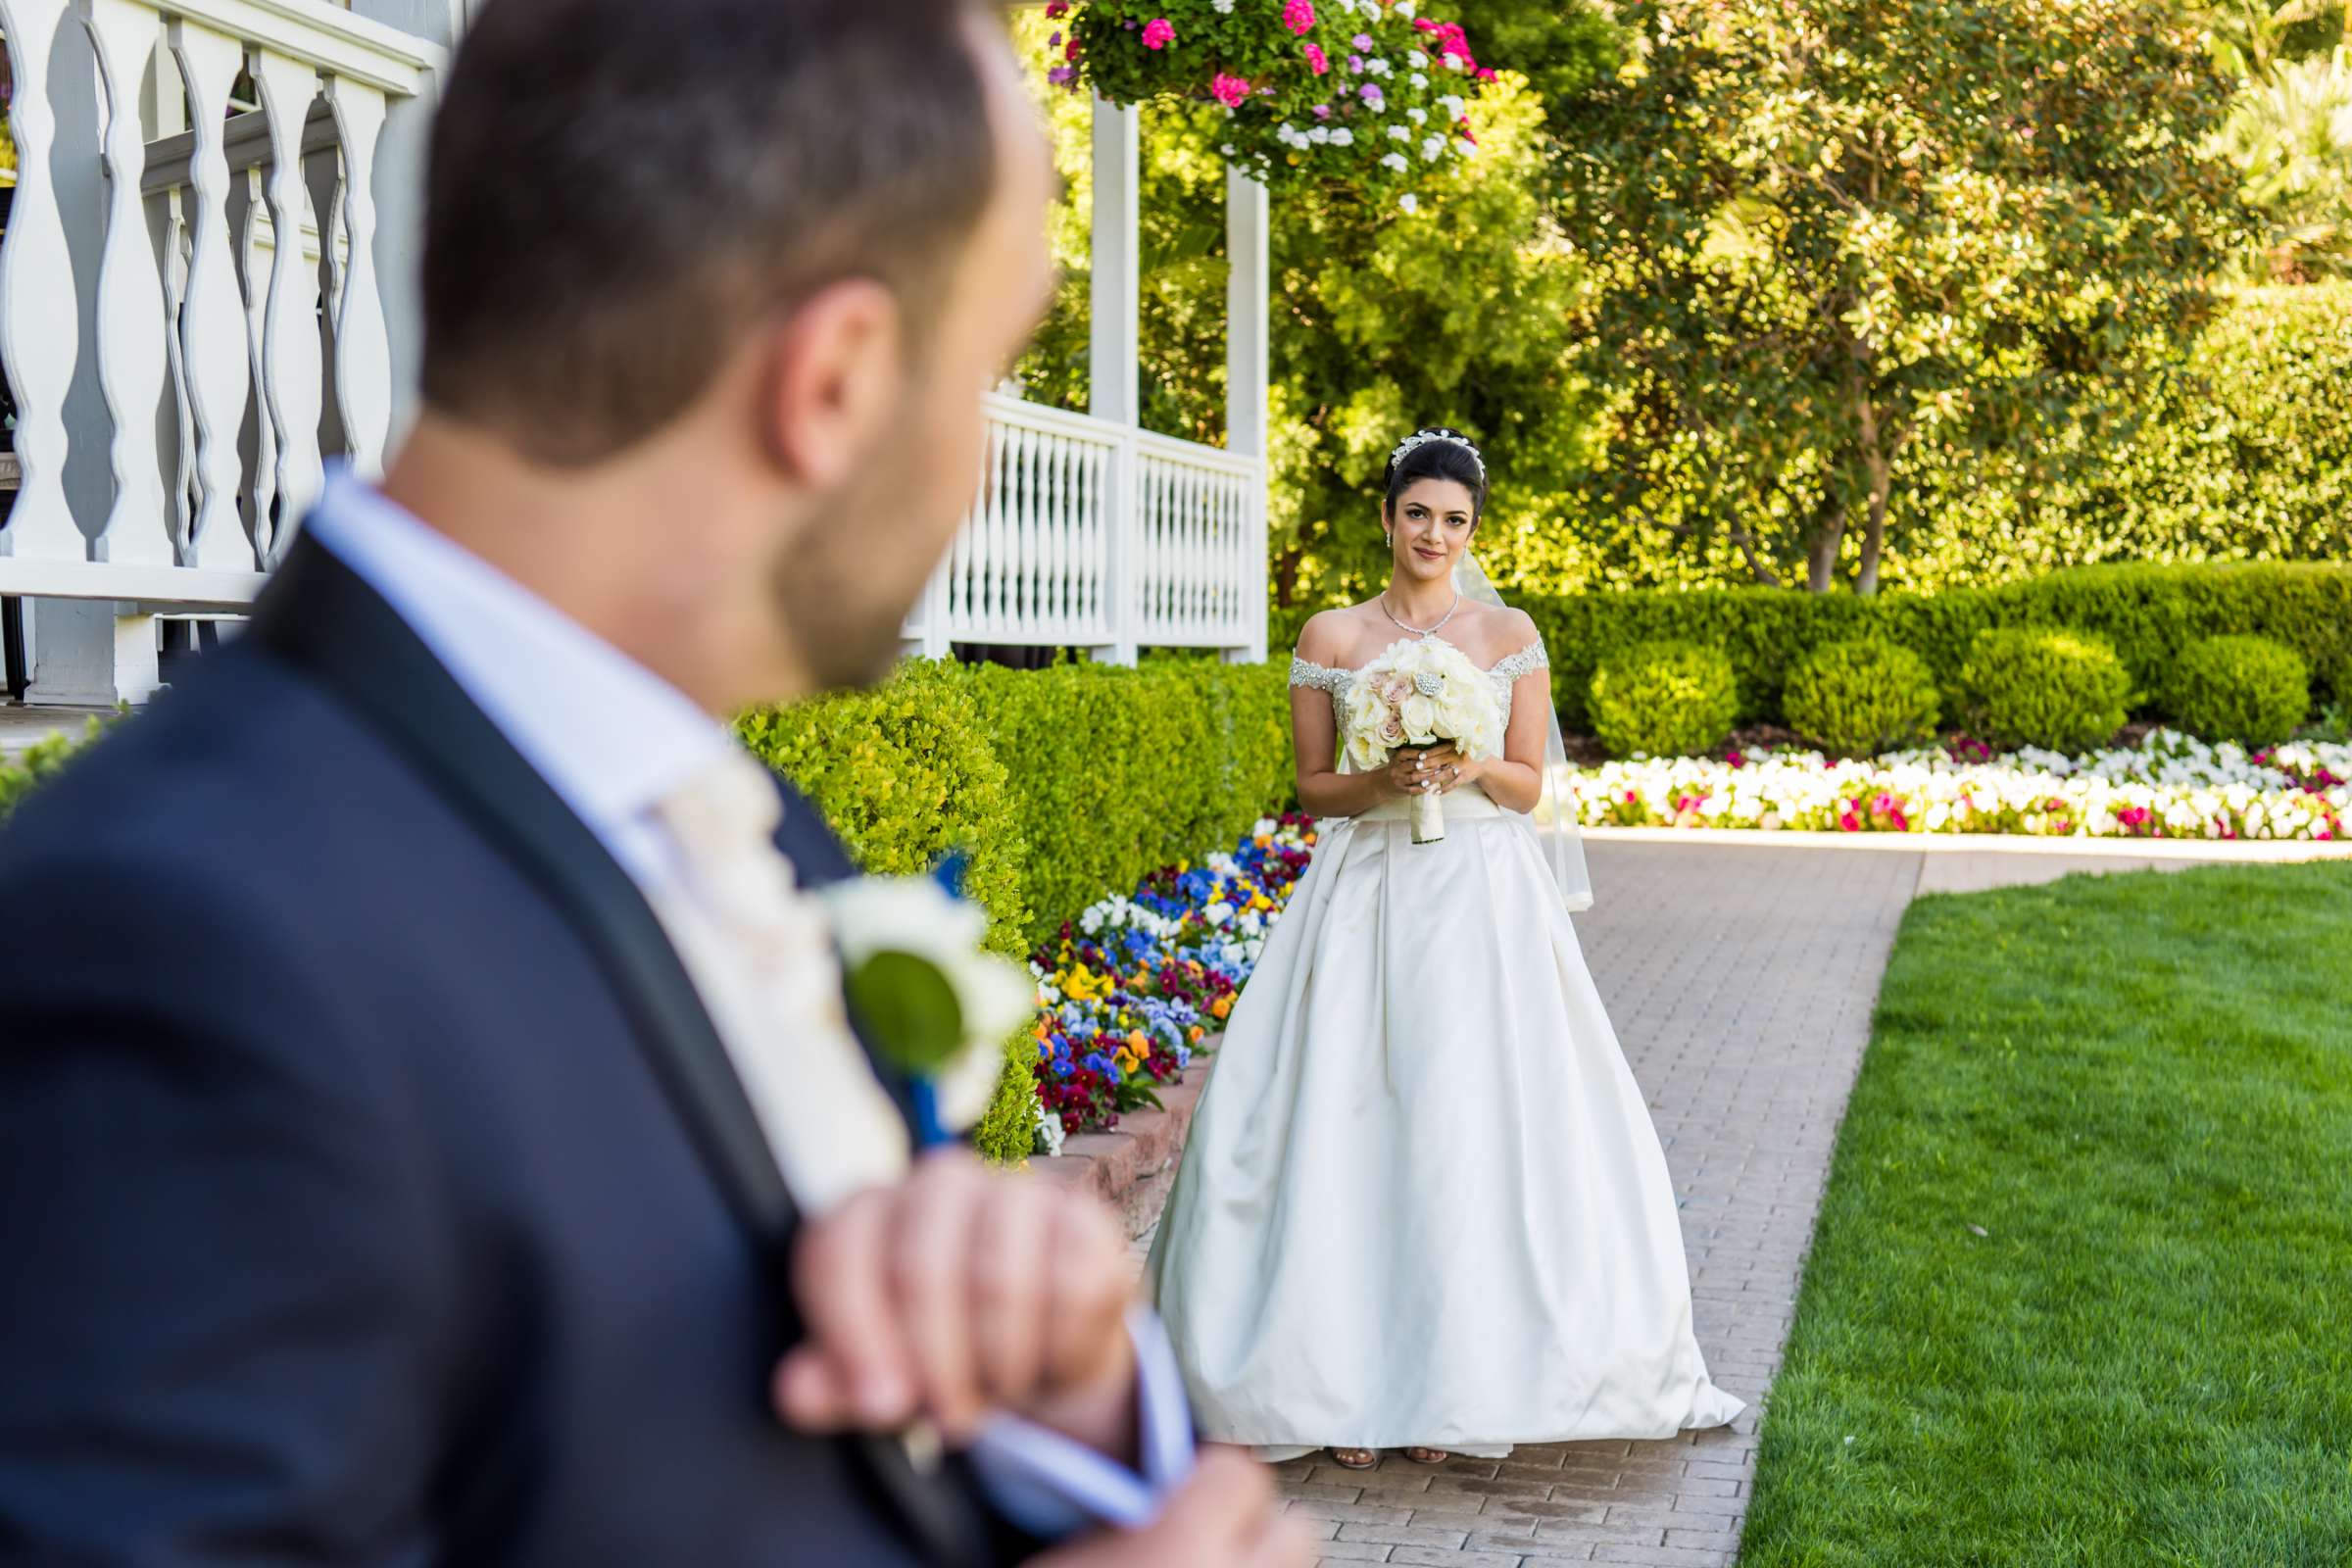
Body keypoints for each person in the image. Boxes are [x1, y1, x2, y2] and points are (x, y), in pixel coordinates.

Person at [0, 1, 1311, 1564]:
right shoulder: (185, 940)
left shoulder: (725, 816)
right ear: (831, 383)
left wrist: (1071, 1407)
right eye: (988, 368)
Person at [1145, 427, 1744, 1469]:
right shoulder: (1331, 636)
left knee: (1469, 1124)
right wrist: (1385, 782)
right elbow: (1313, 789)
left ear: (1474, 530)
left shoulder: (1507, 630)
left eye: (1455, 519)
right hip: (1365, 893)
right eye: (1418, 513)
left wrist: (1461, 765)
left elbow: (1529, 783)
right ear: (1386, 517)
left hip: (1481, 901)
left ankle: (1446, 1390)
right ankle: (1337, 1390)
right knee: (1345, 1115)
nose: (1435, 534)